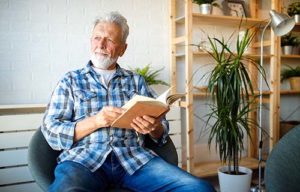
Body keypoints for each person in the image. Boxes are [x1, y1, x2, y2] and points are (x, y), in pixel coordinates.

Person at [41, 11, 215, 192]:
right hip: (83, 161)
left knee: (199, 188)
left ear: (123, 49)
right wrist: (96, 121)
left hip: (134, 160)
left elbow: (161, 131)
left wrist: (154, 128)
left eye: (109, 40)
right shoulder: (70, 80)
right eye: (97, 38)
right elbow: (51, 131)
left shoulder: (137, 81)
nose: (100, 44)